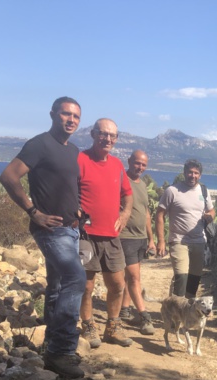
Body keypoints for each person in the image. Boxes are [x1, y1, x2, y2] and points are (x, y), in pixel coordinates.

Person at [0, 97, 86, 378]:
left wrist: (77, 209)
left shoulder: (73, 150)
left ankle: (50, 344)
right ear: (53, 114)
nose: (71, 120)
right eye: (65, 114)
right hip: (50, 230)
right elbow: (8, 176)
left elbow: (66, 184)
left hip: (71, 228)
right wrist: (33, 211)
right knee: (76, 278)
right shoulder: (39, 144)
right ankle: (62, 351)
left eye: (76, 116)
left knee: (58, 286)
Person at [78, 118, 134, 348]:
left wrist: (125, 214)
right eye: (103, 134)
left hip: (111, 236)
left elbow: (127, 194)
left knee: (118, 285)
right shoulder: (80, 159)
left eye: (112, 135)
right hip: (86, 236)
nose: (107, 139)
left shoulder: (117, 165)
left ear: (116, 139)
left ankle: (112, 327)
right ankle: (88, 326)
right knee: (86, 286)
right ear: (93, 134)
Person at [156, 159, 215, 298]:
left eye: (196, 173)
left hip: (199, 240)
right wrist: (161, 241)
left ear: (200, 175)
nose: (192, 175)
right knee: (181, 277)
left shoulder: (204, 191)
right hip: (178, 240)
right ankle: (177, 307)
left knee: (195, 278)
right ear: (184, 173)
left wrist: (210, 216)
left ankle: (188, 306)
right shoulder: (172, 191)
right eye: (190, 172)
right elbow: (160, 215)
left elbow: (211, 210)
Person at [119, 150, 155, 335]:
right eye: (137, 163)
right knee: (134, 278)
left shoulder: (142, 184)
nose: (140, 167)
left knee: (131, 276)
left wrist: (151, 239)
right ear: (129, 161)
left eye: (143, 165)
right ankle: (144, 316)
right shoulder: (120, 180)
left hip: (140, 237)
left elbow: (146, 213)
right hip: (126, 236)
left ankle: (125, 310)